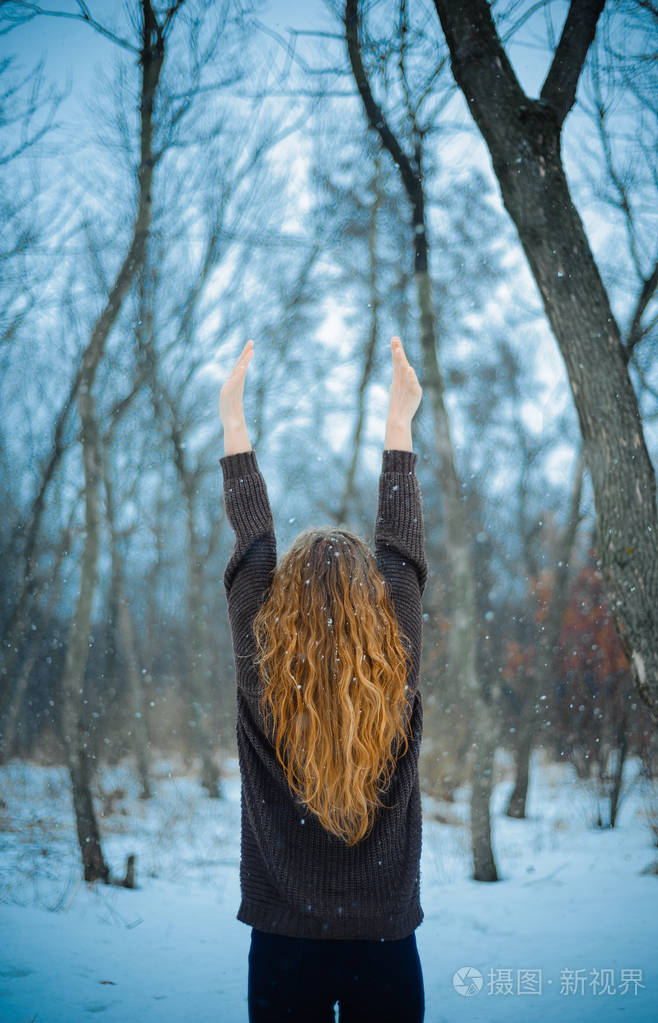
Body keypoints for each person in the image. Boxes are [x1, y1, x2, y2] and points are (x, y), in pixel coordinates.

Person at [218, 336, 426, 1022]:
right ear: (377, 609)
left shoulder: (261, 668)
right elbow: (401, 552)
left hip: (283, 941)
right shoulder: (397, 661)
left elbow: (253, 555)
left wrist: (234, 425)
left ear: (279, 611)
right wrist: (400, 426)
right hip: (385, 939)